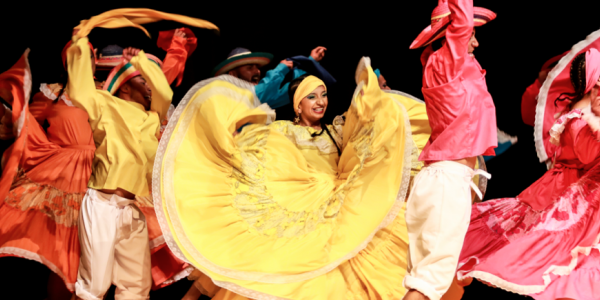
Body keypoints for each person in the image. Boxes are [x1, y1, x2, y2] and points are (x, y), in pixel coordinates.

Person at [155, 57, 414, 299]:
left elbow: (365, 128)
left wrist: (373, 93)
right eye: (311, 97)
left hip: (331, 205)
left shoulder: (337, 131)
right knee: (270, 261)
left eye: (323, 95)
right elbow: (258, 157)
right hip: (292, 203)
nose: (320, 101)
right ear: (297, 105)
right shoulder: (282, 130)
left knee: (338, 261)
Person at [456, 48, 600, 300]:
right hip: (565, 195)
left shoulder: (584, 115)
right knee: (545, 258)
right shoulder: (578, 118)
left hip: (581, 197)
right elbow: (590, 154)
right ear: (593, 84)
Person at [66, 30, 173, 299]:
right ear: (125, 86)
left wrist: (143, 64)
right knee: (94, 287)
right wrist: (79, 45)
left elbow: (165, 92)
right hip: (102, 204)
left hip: (131, 209)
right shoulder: (104, 104)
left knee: (136, 287)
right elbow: (79, 89)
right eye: (142, 81)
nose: (149, 85)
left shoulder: (152, 116)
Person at [404, 0, 497, 299]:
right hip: (446, 181)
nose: (475, 41)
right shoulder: (445, 62)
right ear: (450, 34)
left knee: (445, 284)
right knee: (428, 284)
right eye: (471, 34)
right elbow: (459, 24)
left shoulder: (444, 67)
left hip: (442, 179)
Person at [0, 42, 96, 300]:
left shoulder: (105, 94)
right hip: (62, 173)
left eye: (89, 57)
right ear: (67, 63)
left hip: (100, 174)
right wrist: (14, 116)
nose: (84, 62)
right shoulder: (53, 93)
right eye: (77, 57)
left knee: (97, 254)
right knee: (64, 251)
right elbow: (27, 124)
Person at [212, 46, 330, 108]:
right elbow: (259, 93)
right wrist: (280, 70)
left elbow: (293, 89)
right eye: (249, 68)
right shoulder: (228, 95)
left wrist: (311, 61)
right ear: (232, 74)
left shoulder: (263, 99)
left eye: (257, 67)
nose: (257, 71)